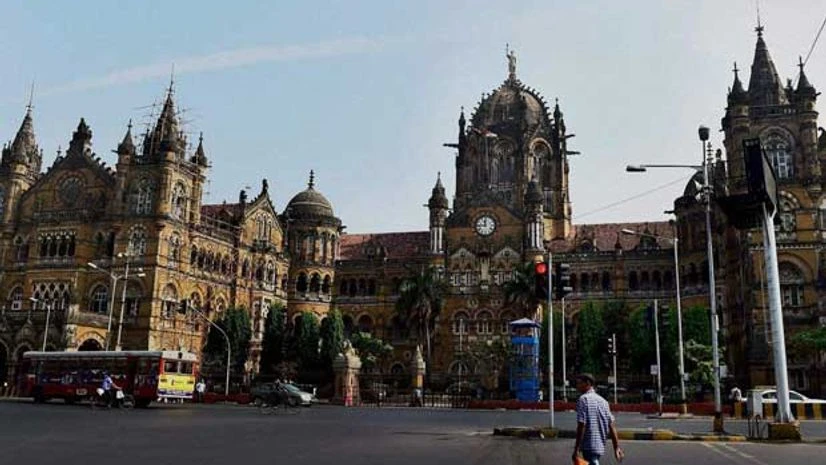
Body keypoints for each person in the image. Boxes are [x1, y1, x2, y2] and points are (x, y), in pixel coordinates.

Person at [573, 373, 623, 465]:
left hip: (588, 445)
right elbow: (611, 426)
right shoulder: (603, 402)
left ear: (587, 383)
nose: (577, 386)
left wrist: (576, 449)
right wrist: (616, 447)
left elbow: (582, 425)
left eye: (579, 383)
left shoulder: (583, 399)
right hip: (600, 446)